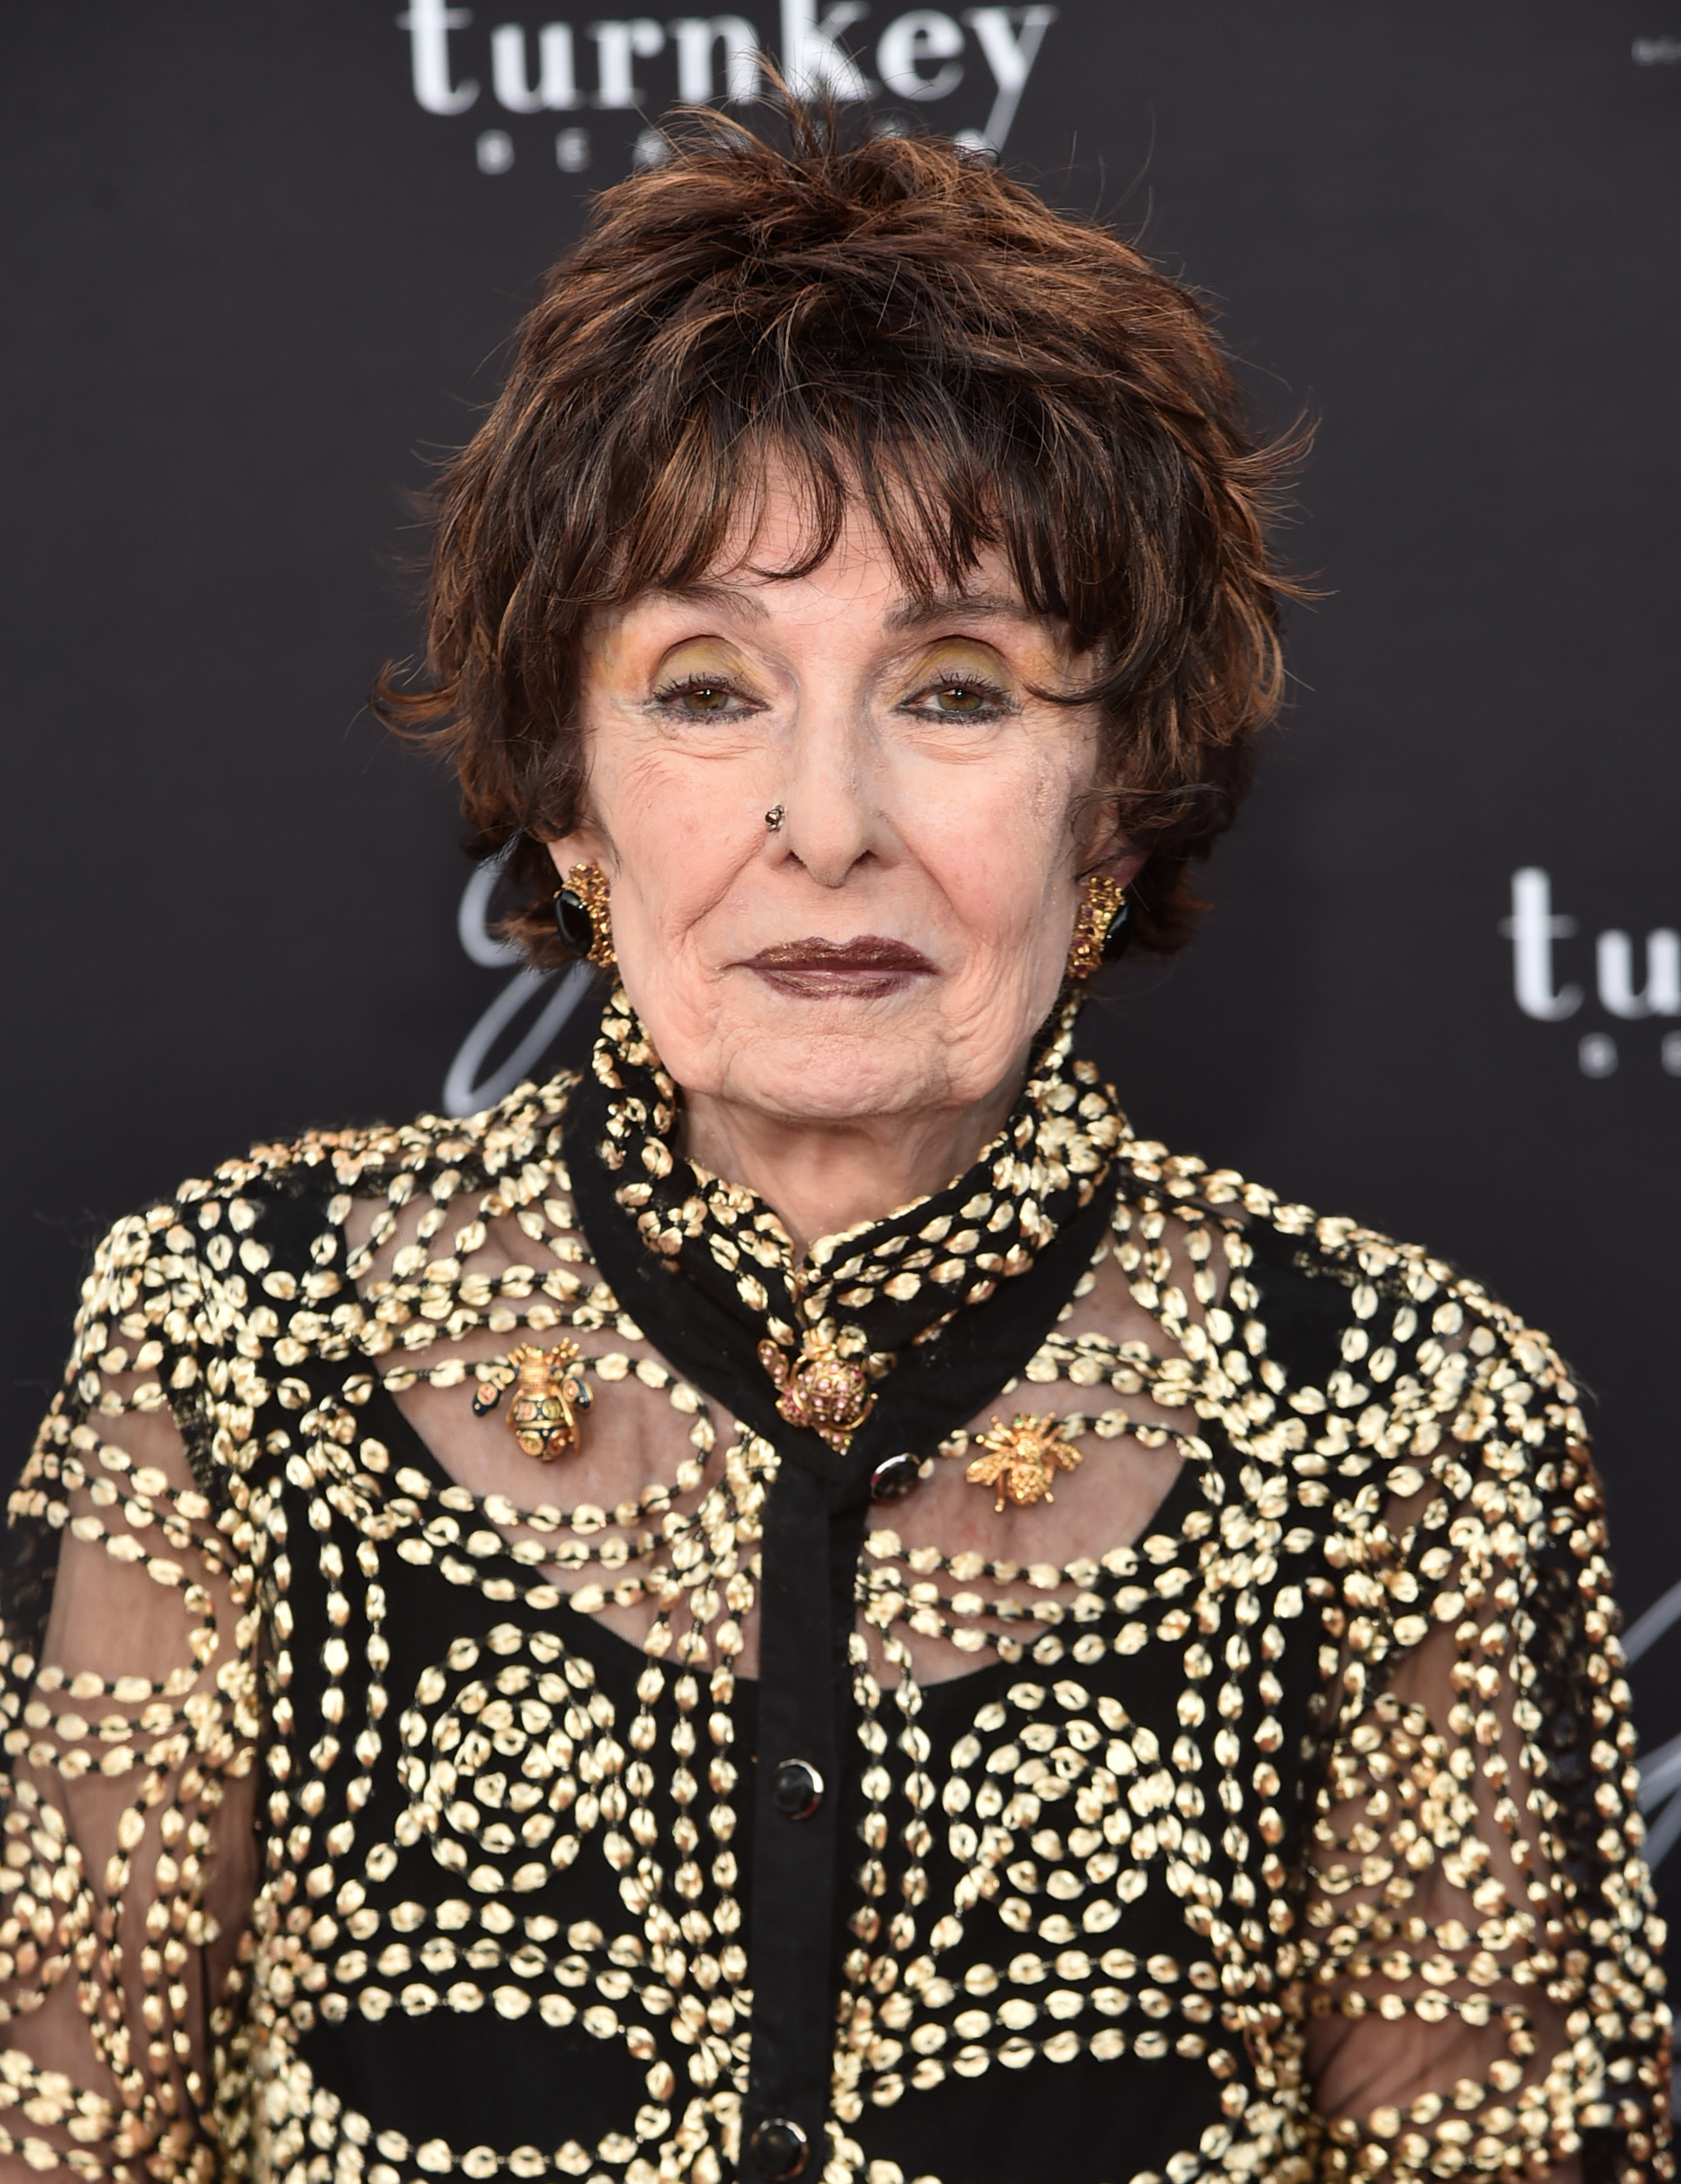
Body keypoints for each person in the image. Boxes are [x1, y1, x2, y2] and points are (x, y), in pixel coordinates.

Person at [0, 105, 1666, 2184]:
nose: (825, 823)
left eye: (956, 692)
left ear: (1119, 798)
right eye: (705, 689)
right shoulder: (240, 1344)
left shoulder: (1406, 1422)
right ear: (567, 790)